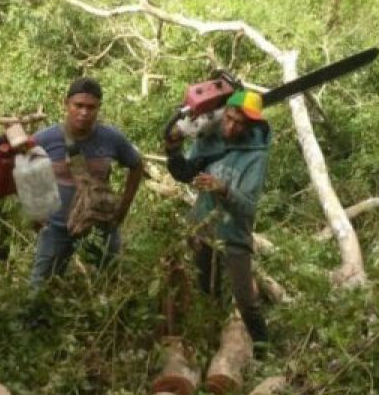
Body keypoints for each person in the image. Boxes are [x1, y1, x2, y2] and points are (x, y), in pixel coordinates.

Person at [164, 89, 270, 344]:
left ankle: (263, 349)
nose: (232, 127)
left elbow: (247, 208)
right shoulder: (210, 139)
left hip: (233, 234)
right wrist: (173, 150)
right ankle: (211, 343)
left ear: (251, 125)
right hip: (202, 229)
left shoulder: (256, 155)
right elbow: (185, 173)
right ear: (222, 114)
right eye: (229, 119)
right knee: (205, 292)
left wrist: (223, 189)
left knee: (246, 302)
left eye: (239, 123)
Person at [30, 77, 144, 284]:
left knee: (109, 283)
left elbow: (136, 165)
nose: (84, 112)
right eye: (78, 105)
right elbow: (25, 169)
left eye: (91, 107)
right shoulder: (44, 139)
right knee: (41, 287)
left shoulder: (112, 138)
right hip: (57, 227)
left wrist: (123, 209)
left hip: (101, 226)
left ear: (98, 108)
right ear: (66, 104)